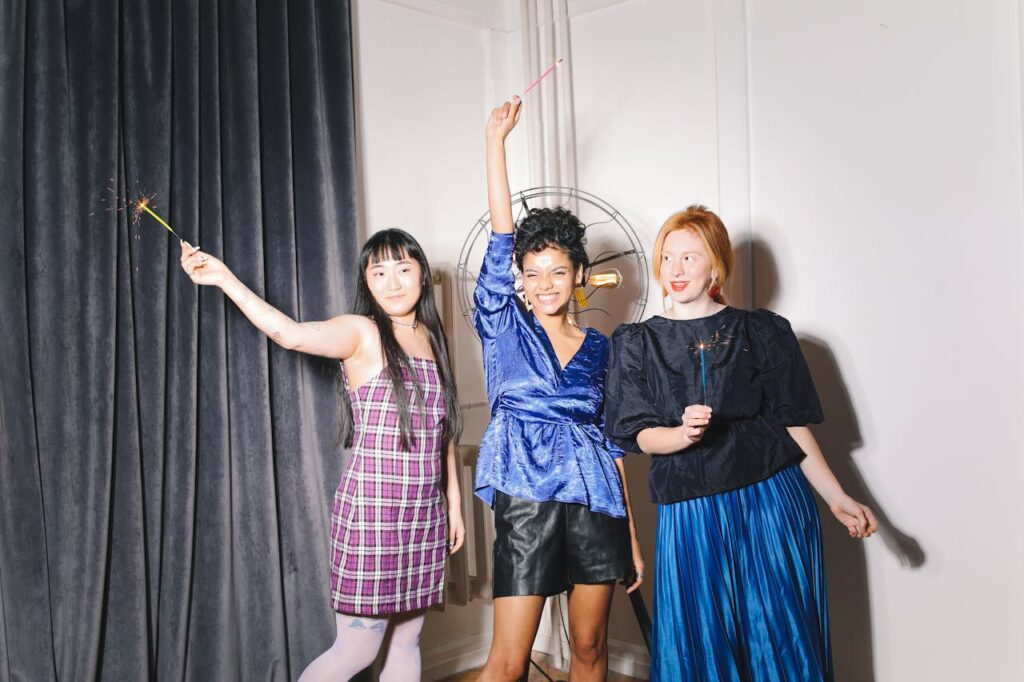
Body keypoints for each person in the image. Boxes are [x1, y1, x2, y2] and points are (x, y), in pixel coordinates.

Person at [604, 205, 878, 681]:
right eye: (668, 257)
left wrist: (837, 496)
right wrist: (681, 434)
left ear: (716, 264)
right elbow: (641, 436)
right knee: (703, 645)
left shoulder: (763, 331)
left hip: (769, 503)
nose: (676, 270)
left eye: (691, 257)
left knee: (779, 639)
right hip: (692, 516)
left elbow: (792, 426)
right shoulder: (636, 342)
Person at [178, 229, 464, 681]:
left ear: (423, 276)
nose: (393, 282)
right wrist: (224, 278)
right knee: (357, 650)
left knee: (407, 640)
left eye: (404, 269)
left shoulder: (430, 335)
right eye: (379, 272)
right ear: (366, 282)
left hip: (424, 515)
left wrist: (455, 506)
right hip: (374, 515)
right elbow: (289, 334)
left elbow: (443, 428)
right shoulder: (362, 332)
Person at [474, 96, 645, 682]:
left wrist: (632, 538)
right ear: (519, 278)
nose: (545, 284)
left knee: (591, 647)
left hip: (596, 503)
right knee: (508, 659)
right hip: (526, 495)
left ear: (577, 275)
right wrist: (496, 145)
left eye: (558, 271)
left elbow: (613, 440)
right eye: (533, 272)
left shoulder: (602, 345)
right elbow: (501, 238)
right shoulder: (502, 324)